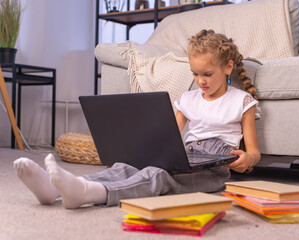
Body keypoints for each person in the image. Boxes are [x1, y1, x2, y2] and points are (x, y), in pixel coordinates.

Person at [13, 29, 261, 209]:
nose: (201, 81)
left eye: (207, 74)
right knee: (126, 167)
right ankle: (53, 189)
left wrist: (247, 159)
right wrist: (135, 154)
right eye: (195, 74)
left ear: (228, 67)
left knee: (157, 176)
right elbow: (167, 138)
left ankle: (89, 193)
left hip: (214, 169)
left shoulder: (241, 101)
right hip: (185, 155)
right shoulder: (188, 99)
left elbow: (253, 152)